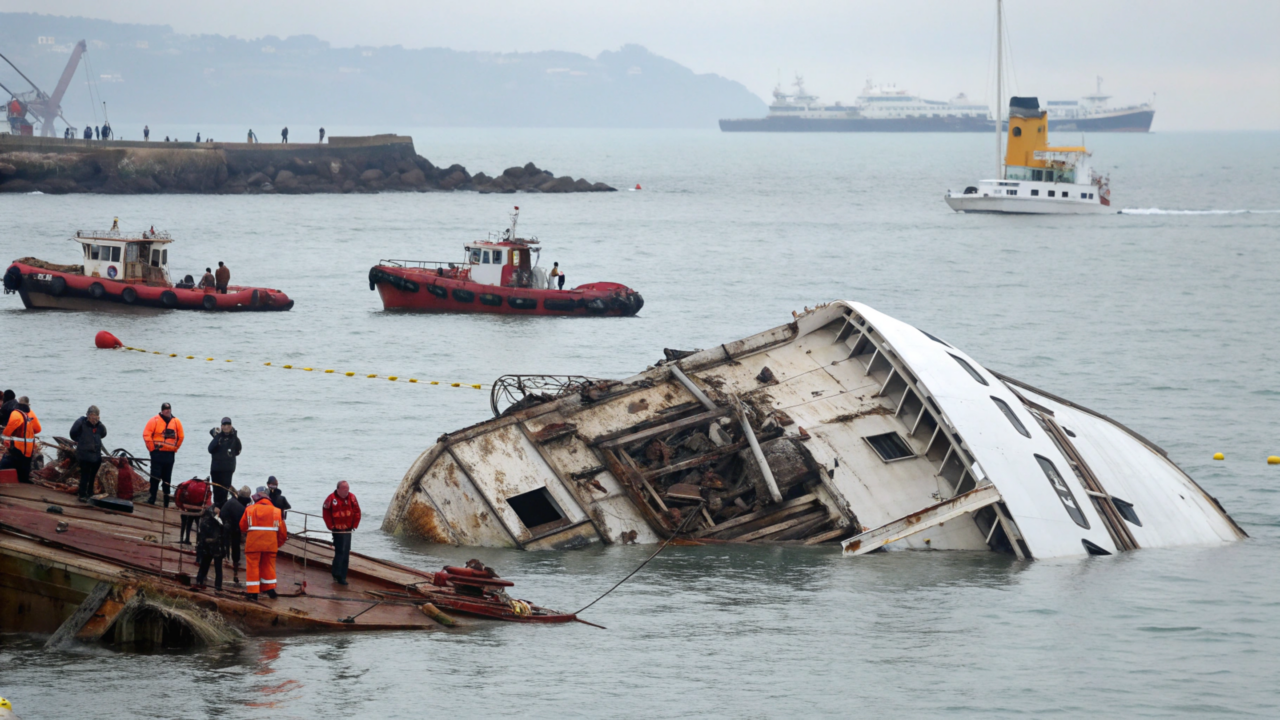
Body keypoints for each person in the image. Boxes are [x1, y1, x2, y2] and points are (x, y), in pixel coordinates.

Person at [240, 486, 287, 601]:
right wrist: (277, 544)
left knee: (253, 566)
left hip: (253, 544)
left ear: (257, 496)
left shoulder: (249, 509)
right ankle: (270, 589)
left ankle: (253, 593)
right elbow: (283, 534)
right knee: (268, 566)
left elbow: (243, 527)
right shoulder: (277, 511)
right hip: (270, 545)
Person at [143, 402, 184, 506]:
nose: (167, 411)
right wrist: (152, 449)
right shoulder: (154, 420)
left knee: (167, 478)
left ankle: (166, 499)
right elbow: (146, 434)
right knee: (155, 477)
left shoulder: (176, 422)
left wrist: (176, 448)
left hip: (169, 455)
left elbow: (181, 436)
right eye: (165, 409)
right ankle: (152, 498)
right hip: (157, 454)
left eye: (169, 409)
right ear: (162, 410)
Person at [322, 481, 361, 585]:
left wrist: (355, 525)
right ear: (338, 489)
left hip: (348, 529)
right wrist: (330, 526)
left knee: (346, 552)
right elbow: (326, 512)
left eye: (347, 488)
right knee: (340, 551)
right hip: (337, 530)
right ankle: (337, 574)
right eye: (344, 489)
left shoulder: (352, 497)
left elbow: (357, 511)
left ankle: (341, 575)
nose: (346, 490)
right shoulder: (331, 499)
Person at [69, 406, 107, 502]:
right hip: (84, 454)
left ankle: (90, 493)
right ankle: (82, 494)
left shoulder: (100, 426)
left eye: (96, 417)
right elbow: (72, 433)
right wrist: (81, 441)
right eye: (92, 416)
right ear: (88, 415)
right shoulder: (81, 423)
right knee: (85, 475)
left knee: (93, 476)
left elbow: (104, 434)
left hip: (96, 455)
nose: (94, 419)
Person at [3, 397, 41, 485]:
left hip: (18, 445)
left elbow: (14, 424)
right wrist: (29, 431)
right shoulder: (31, 413)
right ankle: (25, 481)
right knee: (26, 465)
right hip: (29, 446)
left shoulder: (16, 413)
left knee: (12, 463)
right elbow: (38, 429)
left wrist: (6, 435)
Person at [207, 417, 241, 507]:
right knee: (217, 491)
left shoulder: (234, 438)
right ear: (221, 426)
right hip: (216, 469)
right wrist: (218, 439)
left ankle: (223, 509)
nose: (226, 427)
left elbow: (238, 451)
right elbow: (210, 449)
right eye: (224, 425)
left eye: (228, 425)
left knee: (225, 491)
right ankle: (217, 508)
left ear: (231, 426)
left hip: (228, 470)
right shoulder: (218, 437)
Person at [221, 485, 252, 585]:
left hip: (225, 525)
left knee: (224, 544)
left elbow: (222, 513)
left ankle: (225, 558)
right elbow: (244, 523)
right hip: (235, 528)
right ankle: (235, 565)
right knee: (235, 545)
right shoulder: (243, 507)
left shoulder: (231, 501)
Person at [194, 505, 224, 591]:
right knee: (217, 567)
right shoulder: (218, 518)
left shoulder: (206, 517)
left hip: (208, 544)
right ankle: (218, 586)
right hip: (215, 544)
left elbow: (202, 531)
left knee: (205, 564)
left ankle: (199, 580)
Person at [174, 476, 210, 544]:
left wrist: (180, 505)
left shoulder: (189, 483)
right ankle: (198, 541)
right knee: (198, 525)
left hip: (187, 507)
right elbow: (208, 500)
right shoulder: (206, 487)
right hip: (198, 508)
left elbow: (179, 491)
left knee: (187, 524)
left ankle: (185, 538)